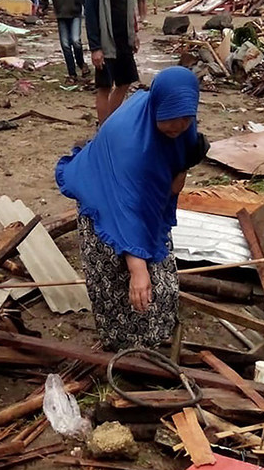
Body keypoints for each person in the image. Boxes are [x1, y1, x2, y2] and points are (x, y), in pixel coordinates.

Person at [55, 67, 209, 352]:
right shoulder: (130, 144)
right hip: (106, 198)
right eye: (169, 124)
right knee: (119, 280)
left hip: (144, 197)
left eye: (185, 121)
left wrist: (182, 167)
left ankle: (154, 339)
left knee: (158, 273)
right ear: (156, 110)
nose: (177, 129)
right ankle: (124, 350)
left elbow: (184, 161)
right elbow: (126, 211)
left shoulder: (180, 119)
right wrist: (137, 269)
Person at [85, 0, 139, 124]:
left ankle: (110, 124)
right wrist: (95, 48)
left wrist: (134, 33)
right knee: (105, 87)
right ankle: (103, 131)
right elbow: (89, 13)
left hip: (123, 37)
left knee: (125, 82)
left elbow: (129, 3)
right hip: (105, 41)